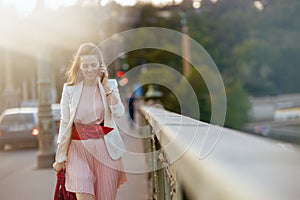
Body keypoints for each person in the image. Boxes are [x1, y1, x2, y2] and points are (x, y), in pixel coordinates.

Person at [52, 43, 127, 200]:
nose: (90, 69)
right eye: (85, 65)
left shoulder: (110, 85)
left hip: (105, 150)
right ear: (79, 66)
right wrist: (60, 158)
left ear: (100, 65)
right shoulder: (69, 88)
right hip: (77, 150)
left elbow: (119, 112)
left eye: (94, 65)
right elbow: (65, 123)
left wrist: (106, 86)